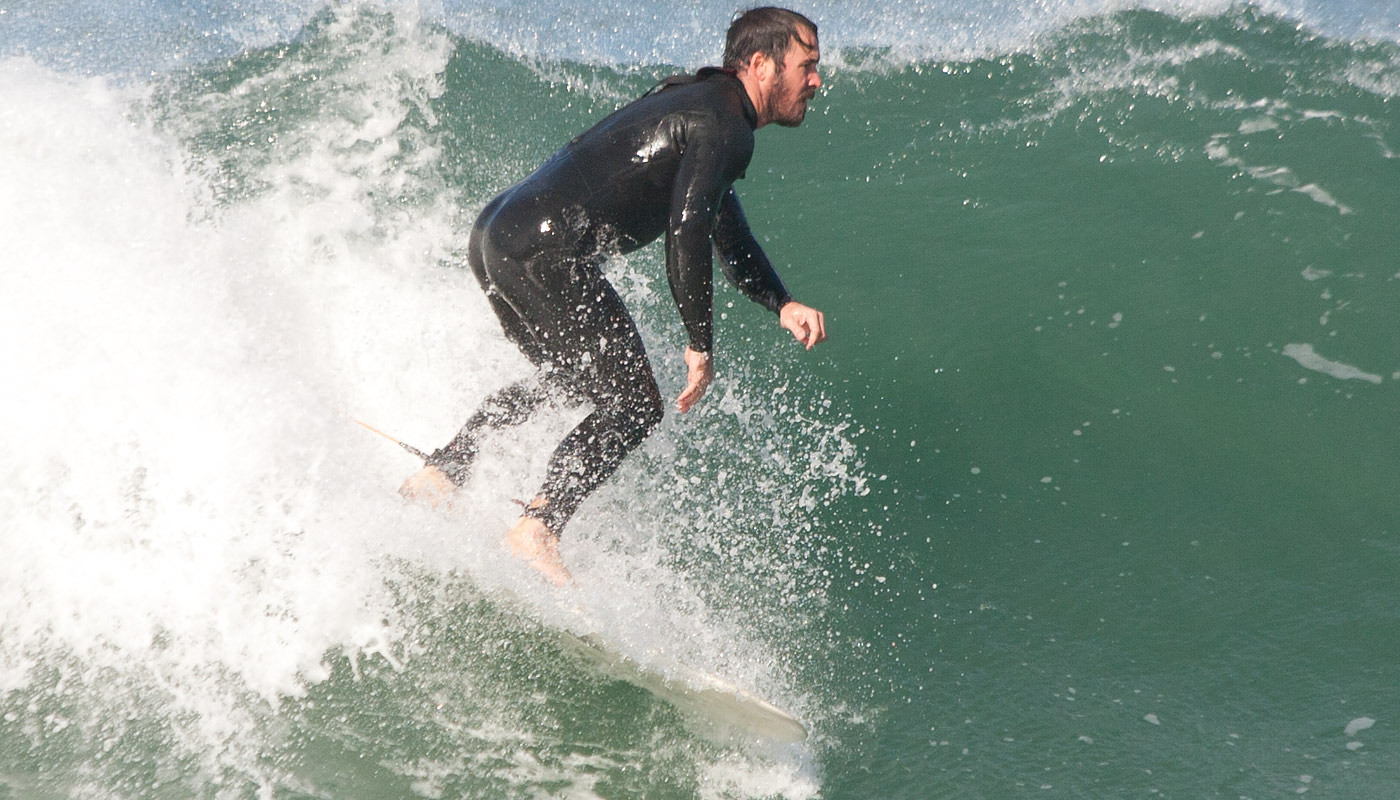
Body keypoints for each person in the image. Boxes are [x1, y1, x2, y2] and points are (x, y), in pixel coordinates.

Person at [401, 7, 827, 584]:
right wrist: (699, 343)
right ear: (761, 64)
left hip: (496, 237)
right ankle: (538, 526)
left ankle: (447, 468)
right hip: (544, 252)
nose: (815, 81)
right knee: (634, 404)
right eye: (807, 66)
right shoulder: (724, 126)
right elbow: (687, 228)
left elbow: (726, 227)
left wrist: (781, 302)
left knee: (572, 377)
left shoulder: (697, 102)